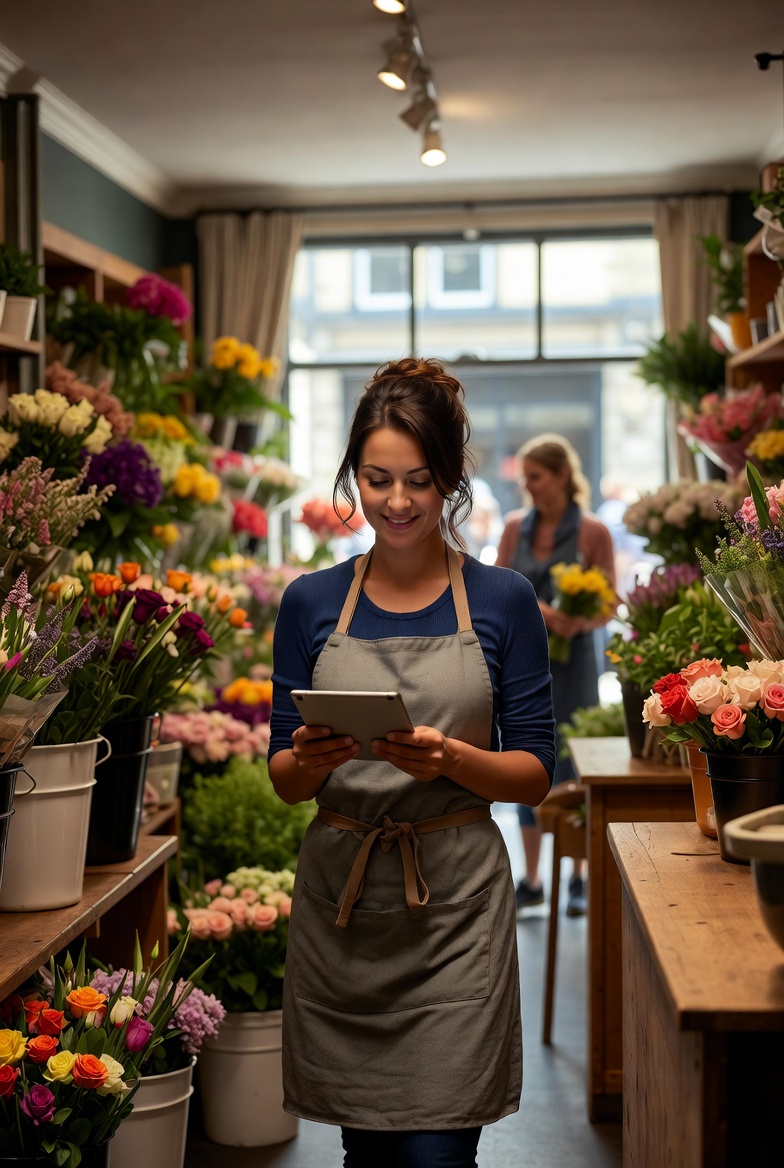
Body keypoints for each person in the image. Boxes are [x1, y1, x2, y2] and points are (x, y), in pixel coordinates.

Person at [268, 357, 556, 1168]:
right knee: (368, 1153)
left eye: (418, 481)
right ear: (354, 477)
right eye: (376, 478)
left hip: (455, 905)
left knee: (436, 1156)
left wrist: (452, 759)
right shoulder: (310, 603)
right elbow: (283, 784)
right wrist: (311, 755)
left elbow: (536, 771)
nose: (395, 502)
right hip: (345, 909)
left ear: (451, 481)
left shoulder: (503, 600)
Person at [495, 434, 616, 919]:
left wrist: (578, 621)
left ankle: (578, 878)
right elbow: (499, 591)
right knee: (527, 760)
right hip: (525, 663)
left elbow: (609, 602)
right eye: (524, 476)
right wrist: (541, 612)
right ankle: (532, 879)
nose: (527, 485)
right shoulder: (512, 528)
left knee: (573, 763)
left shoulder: (593, 532)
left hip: (575, 663)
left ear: (563, 476)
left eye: (535, 476)